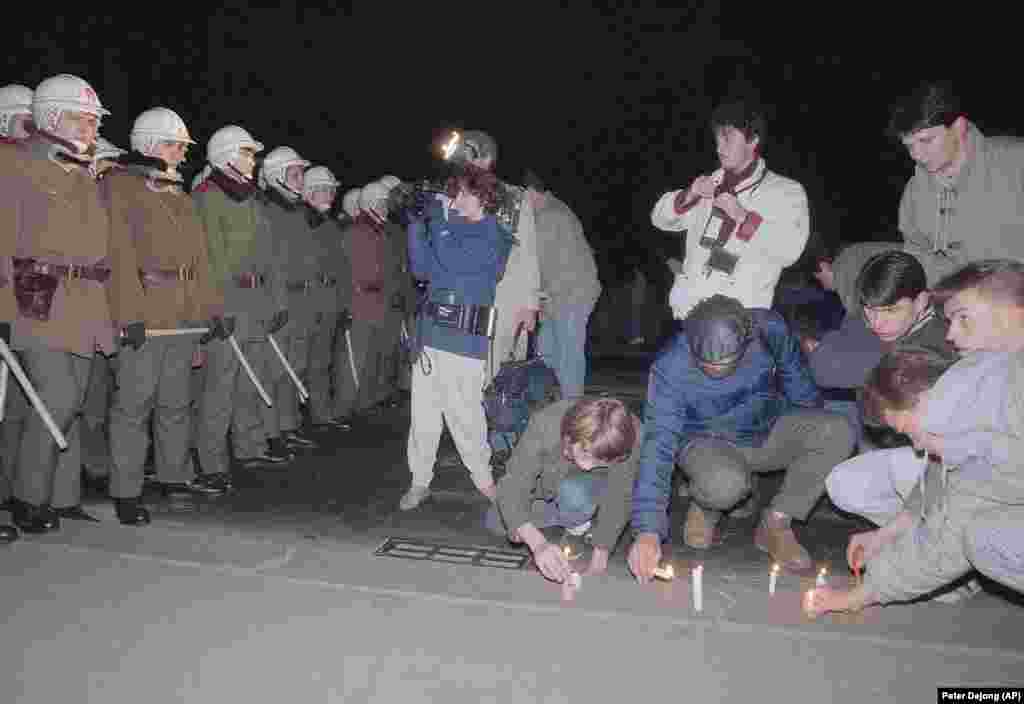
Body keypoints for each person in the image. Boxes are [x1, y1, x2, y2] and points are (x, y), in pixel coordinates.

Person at [813, 259, 1024, 614]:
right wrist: (867, 587)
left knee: (987, 538)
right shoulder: (984, 379)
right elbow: (949, 529)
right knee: (978, 530)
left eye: (963, 317)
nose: (951, 333)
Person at [2, 73, 149, 530]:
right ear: (49, 118)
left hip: (86, 304)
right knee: (57, 397)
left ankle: (55, 497)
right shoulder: (15, 164)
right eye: (80, 119)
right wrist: (4, 309)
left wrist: (123, 312)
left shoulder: (86, 174)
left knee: (65, 401)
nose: (90, 128)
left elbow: (110, 253)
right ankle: (28, 501)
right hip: (36, 295)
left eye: (93, 120)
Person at [627, 295, 854, 579]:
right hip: (705, 442)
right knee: (723, 484)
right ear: (689, 342)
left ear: (747, 340)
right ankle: (707, 502)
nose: (717, 371)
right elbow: (658, 445)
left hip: (764, 428)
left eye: (727, 362)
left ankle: (776, 524)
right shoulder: (670, 366)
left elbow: (797, 381)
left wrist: (811, 430)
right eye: (706, 364)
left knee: (838, 431)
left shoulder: (769, 329)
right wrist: (648, 531)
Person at [103, 107, 229, 502]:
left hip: (182, 314)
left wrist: (209, 310)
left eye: (181, 147)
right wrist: (128, 314)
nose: (181, 154)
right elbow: (117, 255)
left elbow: (199, 261)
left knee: (176, 400)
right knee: (134, 405)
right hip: (145, 311)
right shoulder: (119, 187)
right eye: (175, 146)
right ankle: (126, 489)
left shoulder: (178, 192)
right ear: (150, 145)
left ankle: (173, 474)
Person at [401, 165, 515, 510]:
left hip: (465, 339)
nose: (455, 198)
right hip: (431, 334)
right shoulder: (446, 228)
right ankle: (419, 481)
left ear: (483, 196)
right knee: (423, 416)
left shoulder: (494, 234)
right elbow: (422, 270)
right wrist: (415, 223)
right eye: (455, 192)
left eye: (463, 193)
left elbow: (454, 263)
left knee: (465, 415)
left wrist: (436, 219)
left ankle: (484, 481)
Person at [650, 99, 810, 320]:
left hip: (744, 320)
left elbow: (790, 250)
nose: (719, 147)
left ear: (753, 140)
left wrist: (743, 217)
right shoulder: (708, 185)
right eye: (717, 138)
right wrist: (689, 194)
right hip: (691, 315)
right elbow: (659, 218)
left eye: (727, 138)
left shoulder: (786, 192)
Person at [192, 125, 290, 475]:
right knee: (219, 387)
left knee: (252, 382)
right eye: (247, 153)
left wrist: (277, 300)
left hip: (256, 303)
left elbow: (271, 256)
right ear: (226, 157)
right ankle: (211, 462)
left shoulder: (253, 199)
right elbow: (205, 260)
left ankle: (249, 446)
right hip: (227, 302)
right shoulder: (206, 197)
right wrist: (214, 309)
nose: (253, 160)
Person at [805, 250, 957, 447]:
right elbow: (823, 367)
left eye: (891, 311)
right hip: (876, 430)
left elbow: (827, 365)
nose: (877, 323)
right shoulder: (876, 308)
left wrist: (843, 352)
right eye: (869, 310)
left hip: (916, 446)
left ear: (921, 302)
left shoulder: (943, 338)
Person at [488, 397, 641, 582]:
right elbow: (515, 481)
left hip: (588, 488)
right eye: (584, 453)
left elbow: (619, 496)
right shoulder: (545, 424)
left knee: (575, 495)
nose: (587, 466)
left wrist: (599, 561)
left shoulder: (627, 438)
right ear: (570, 436)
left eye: (599, 462)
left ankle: (578, 522)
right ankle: (575, 518)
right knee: (499, 520)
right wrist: (538, 544)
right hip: (550, 486)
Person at [890, 81, 1024, 283]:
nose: (916, 155)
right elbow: (917, 255)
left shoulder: (1015, 163)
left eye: (926, 141)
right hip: (957, 305)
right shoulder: (914, 192)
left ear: (959, 127)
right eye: (909, 146)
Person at [443, 130, 542, 372]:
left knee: (499, 375)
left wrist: (530, 304)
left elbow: (528, 252)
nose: (463, 166)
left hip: (505, 298)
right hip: (463, 296)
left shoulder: (513, 197)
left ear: (484, 159)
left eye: (467, 158)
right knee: (464, 374)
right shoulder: (450, 195)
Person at [258, 146, 315, 454]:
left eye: (301, 174)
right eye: (295, 174)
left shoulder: (297, 212)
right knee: (274, 369)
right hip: (280, 299)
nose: (301, 180)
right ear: (277, 176)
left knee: (295, 366)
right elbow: (270, 262)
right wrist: (275, 301)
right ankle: (270, 432)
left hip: (301, 298)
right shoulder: (267, 210)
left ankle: (288, 424)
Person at [527, 170, 601, 400]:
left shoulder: (549, 216)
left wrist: (537, 300)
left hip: (572, 295)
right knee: (547, 352)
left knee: (568, 354)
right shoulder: (553, 209)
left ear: (529, 193)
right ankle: (551, 403)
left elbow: (543, 265)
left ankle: (572, 407)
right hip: (560, 295)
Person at [301, 165, 352, 430]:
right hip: (307, 301)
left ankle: (321, 415)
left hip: (329, 300)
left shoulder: (331, 226)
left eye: (333, 189)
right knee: (300, 362)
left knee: (321, 362)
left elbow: (342, 269)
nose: (332, 194)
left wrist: (343, 305)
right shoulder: (298, 222)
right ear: (309, 192)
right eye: (326, 189)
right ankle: (293, 421)